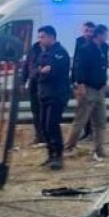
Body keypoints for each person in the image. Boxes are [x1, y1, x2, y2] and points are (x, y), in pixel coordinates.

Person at [65, 24, 109, 161]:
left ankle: (99, 149)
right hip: (88, 88)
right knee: (81, 119)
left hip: (99, 89)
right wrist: (80, 84)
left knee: (100, 121)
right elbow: (80, 68)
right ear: (99, 35)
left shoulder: (104, 48)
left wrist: (104, 83)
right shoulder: (86, 49)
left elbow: (103, 68)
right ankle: (69, 146)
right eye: (106, 34)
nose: (107, 37)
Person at [33, 25, 71, 169]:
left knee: (51, 125)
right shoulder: (42, 53)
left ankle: (58, 156)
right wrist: (40, 71)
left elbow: (54, 73)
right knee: (43, 126)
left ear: (51, 37)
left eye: (42, 37)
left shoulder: (60, 53)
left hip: (56, 94)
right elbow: (34, 72)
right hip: (43, 94)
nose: (39, 40)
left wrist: (43, 72)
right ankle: (50, 154)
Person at [72, 21, 96, 143]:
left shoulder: (96, 44)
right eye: (86, 30)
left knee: (90, 109)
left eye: (90, 31)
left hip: (91, 82)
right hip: (80, 81)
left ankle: (91, 133)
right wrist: (74, 80)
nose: (88, 33)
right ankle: (86, 132)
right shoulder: (79, 41)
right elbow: (76, 62)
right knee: (82, 108)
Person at [20, 39, 45, 147]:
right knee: (35, 112)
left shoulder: (52, 51)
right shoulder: (33, 49)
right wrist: (22, 82)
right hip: (33, 84)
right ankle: (39, 136)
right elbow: (26, 66)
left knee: (44, 112)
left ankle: (45, 136)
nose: (40, 39)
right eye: (40, 36)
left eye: (43, 36)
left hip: (44, 85)